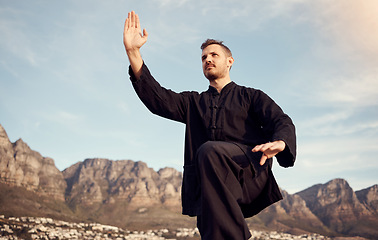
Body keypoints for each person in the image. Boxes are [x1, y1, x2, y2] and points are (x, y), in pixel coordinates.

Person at [123, 11, 296, 240]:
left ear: (230, 61)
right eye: (204, 58)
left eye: (214, 55)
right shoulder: (193, 102)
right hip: (211, 181)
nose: (208, 60)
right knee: (208, 220)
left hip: (249, 171)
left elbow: (281, 120)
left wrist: (281, 143)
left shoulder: (251, 96)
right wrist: (133, 52)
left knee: (208, 150)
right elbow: (158, 99)